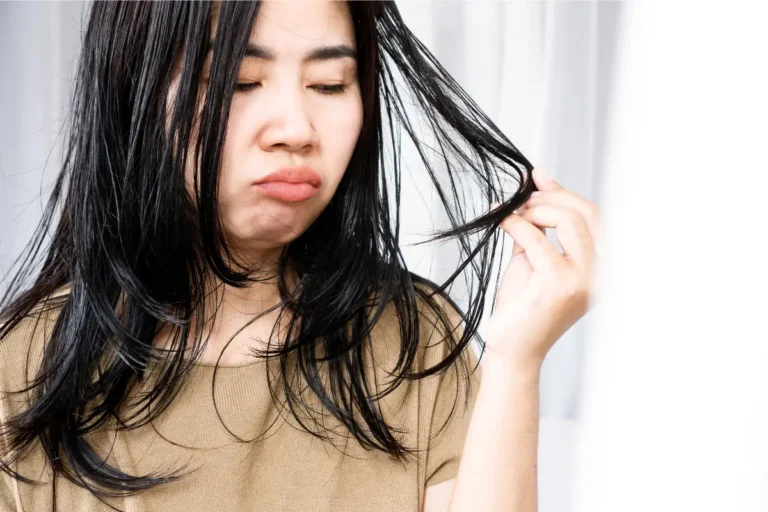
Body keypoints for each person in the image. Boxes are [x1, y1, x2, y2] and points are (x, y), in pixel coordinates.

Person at [0, 1, 601, 511]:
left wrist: (517, 362)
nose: (296, 127)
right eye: (237, 81)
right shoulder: (22, 370)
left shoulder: (417, 344)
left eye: (330, 85)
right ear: (136, 89)